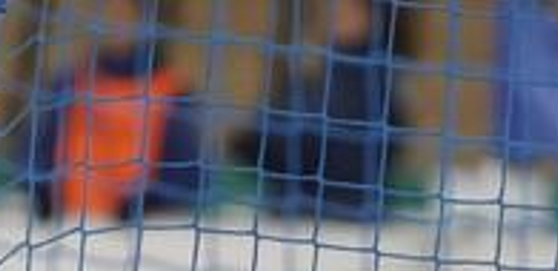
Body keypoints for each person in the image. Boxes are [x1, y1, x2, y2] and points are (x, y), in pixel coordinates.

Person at [28, 0, 205, 220]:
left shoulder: (174, 89)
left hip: (144, 230)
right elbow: (39, 152)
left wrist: (147, 203)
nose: (112, 22)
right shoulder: (70, 82)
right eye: (105, 12)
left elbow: (187, 176)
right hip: (69, 225)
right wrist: (43, 193)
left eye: (123, 14)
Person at [235, 0, 403, 221]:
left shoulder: (374, 82)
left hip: (345, 214)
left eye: (349, 11)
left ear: (372, 18)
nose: (338, 16)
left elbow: (359, 153)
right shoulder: (319, 77)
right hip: (299, 211)